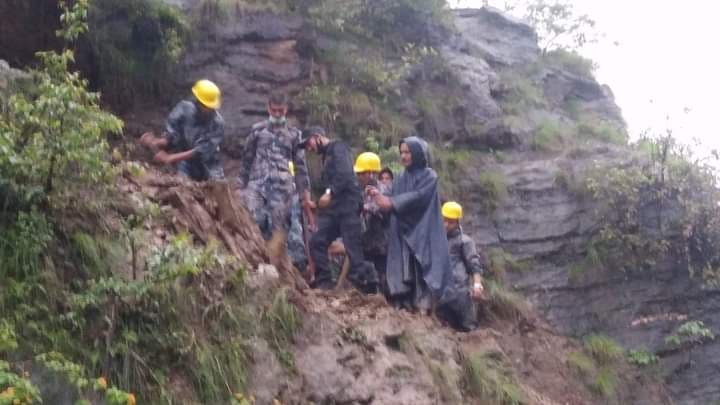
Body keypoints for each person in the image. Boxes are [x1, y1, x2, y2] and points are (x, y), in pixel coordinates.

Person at [370, 136, 450, 312]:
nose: (404, 156)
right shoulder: (400, 177)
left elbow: (419, 196)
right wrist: (377, 194)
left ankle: (424, 305)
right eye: (401, 152)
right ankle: (403, 302)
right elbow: (391, 193)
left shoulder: (429, 175)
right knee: (402, 266)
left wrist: (392, 203)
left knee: (422, 266)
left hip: (423, 229)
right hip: (403, 230)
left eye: (407, 152)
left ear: (417, 153)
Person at [300, 126, 377, 292]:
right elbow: (326, 187)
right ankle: (324, 284)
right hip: (335, 211)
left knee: (353, 250)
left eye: (309, 143)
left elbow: (345, 174)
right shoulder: (325, 157)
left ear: (317, 137)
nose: (309, 148)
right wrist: (316, 202)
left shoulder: (339, 147)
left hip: (349, 206)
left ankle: (370, 289)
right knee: (317, 241)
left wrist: (330, 193)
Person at [238, 93, 312, 240]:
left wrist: (305, 194)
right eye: (274, 110)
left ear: (286, 110)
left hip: (282, 190)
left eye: (281, 110)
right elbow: (246, 160)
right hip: (257, 186)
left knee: (279, 229)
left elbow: (300, 167)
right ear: (268, 109)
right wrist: (239, 186)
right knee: (253, 222)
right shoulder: (257, 130)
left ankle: (278, 260)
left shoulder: (294, 134)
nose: (277, 114)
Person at [140, 79, 224, 181]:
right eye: (207, 106)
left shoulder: (217, 123)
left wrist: (169, 158)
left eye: (212, 107)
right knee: (181, 180)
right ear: (198, 102)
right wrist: (161, 142)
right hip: (185, 159)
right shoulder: (184, 109)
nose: (211, 110)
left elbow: (200, 151)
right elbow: (172, 132)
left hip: (208, 164)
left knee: (217, 185)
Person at [438, 201, 485, 332]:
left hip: (460, 293)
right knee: (444, 330)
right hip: (441, 294)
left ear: (458, 222)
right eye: (444, 220)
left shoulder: (465, 241)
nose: (446, 225)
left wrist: (477, 285)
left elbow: (474, 265)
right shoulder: (437, 239)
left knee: (468, 328)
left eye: (451, 222)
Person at [355, 152, 391, 297]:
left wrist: (364, 207)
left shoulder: (383, 189)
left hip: (380, 240)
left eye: (362, 173)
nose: (359, 177)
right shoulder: (360, 189)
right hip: (364, 239)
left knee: (381, 274)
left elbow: (382, 209)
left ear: (371, 173)